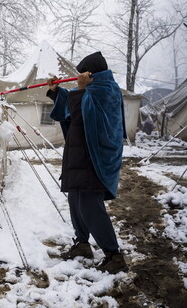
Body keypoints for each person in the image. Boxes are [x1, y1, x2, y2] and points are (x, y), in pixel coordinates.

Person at [46, 51, 128, 274]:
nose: (78, 77)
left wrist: (81, 90)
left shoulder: (107, 91)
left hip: (95, 157)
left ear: (92, 73)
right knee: (75, 198)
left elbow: (82, 114)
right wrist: (56, 92)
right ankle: (82, 244)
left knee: (90, 205)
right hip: (80, 155)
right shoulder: (91, 91)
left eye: (81, 73)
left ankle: (114, 255)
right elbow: (72, 109)